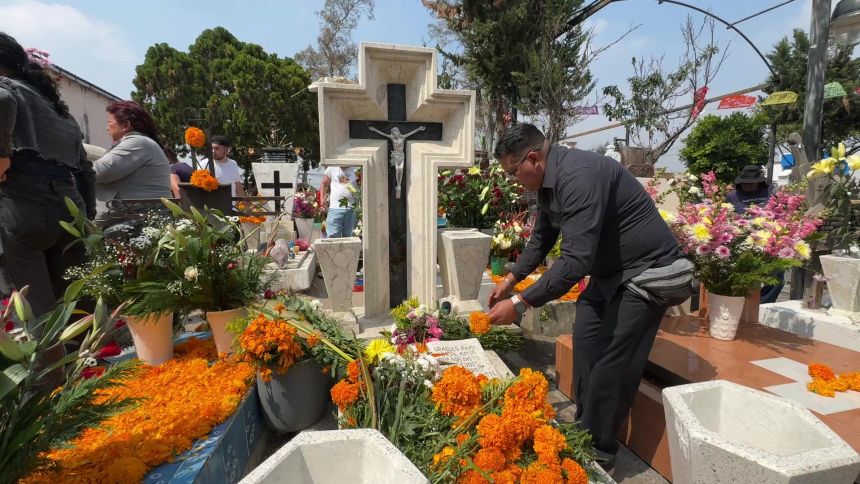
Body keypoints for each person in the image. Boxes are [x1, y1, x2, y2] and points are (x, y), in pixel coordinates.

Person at [487, 123, 690, 474]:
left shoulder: (578, 176)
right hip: (611, 274)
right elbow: (542, 237)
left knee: (613, 360)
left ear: (533, 158)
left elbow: (576, 260)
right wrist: (511, 279)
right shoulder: (550, 183)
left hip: (646, 272)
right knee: (586, 344)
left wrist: (520, 304)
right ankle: (586, 429)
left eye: (512, 171)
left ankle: (600, 453)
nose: (512, 180)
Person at [0, 32, 94, 319]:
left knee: (35, 310)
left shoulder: (9, 89)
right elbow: (85, 168)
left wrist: (2, 153)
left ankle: (50, 365)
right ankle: (90, 363)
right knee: (76, 305)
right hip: (69, 208)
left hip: (23, 206)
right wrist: (85, 215)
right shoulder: (58, 111)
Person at [92, 101, 170, 225]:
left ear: (126, 125)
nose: (107, 127)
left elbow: (99, 171)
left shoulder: (137, 142)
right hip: (135, 213)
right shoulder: (141, 142)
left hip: (137, 218)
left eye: (109, 123)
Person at [727, 164, 783, 303]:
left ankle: (763, 304)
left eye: (752, 183)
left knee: (776, 276)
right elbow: (727, 217)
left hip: (770, 241)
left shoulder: (772, 192)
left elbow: (782, 213)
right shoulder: (732, 196)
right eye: (746, 183)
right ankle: (744, 303)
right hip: (743, 242)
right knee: (745, 276)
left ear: (760, 181)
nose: (749, 186)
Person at [320, 165, 358, 238]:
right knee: (332, 238)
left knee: (351, 239)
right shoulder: (332, 167)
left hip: (353, 209)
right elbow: (324, 183)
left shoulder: (357, 168)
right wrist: (322, 199)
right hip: (335, 208)